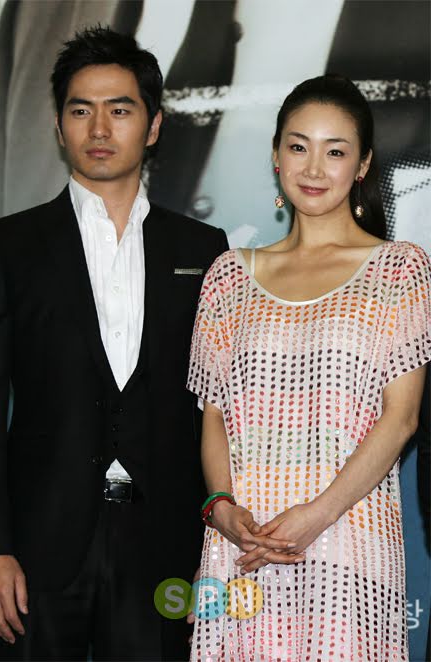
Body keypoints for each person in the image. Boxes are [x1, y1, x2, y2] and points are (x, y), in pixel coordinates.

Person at [0, 26, 228, 661]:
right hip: (37, 547)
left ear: (153, 127)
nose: (99, 129)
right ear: (59, 126)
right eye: (81, 111)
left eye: (120, 110)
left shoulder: (203, 249)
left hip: (165, 548)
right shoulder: (7, 247)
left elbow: (216, 407)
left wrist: (213, 544)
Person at [187, 75, 431, 661]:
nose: (314, 167)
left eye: (335, 151)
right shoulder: (227, 275)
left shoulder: (400, 270)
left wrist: (316, 516)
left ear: (363, 164)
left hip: (346, 538)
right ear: (276, 156)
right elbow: (213, 414)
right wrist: (222, 509)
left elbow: (401, 419)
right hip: (242, 546)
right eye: (298, 146)